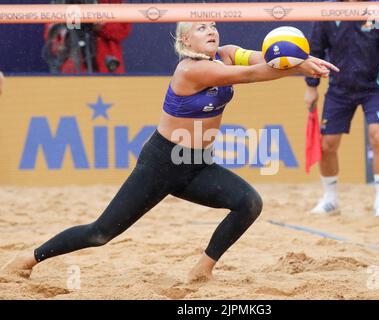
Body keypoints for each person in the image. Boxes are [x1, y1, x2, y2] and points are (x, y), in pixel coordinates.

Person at [4, 22, 338, 282]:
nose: (210, 31)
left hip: (195, 163)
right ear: (185, 42)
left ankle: (202, 269)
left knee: (248, 203)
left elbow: (263, 60)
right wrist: (300, 68)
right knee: (100, 233)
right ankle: (29, 259)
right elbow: (251, 74)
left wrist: (303, 60)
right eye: (200, 29)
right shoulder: (191, 69)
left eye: (211, 27)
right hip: (162, 161)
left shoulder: (226, 52)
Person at [304, 0, 379, 217]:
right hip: (339, 90)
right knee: (327, 145)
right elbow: (315, 52)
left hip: (376, 88)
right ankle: (330, 199)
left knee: (378, 137)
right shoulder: (328, 11)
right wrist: (311, 86)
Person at [43, 0, 131, 74]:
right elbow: (54, 40)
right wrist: (64, 33)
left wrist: (102, 24)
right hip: (72, 68)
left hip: (106, 67)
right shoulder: (61, 3)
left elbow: (123, 29)